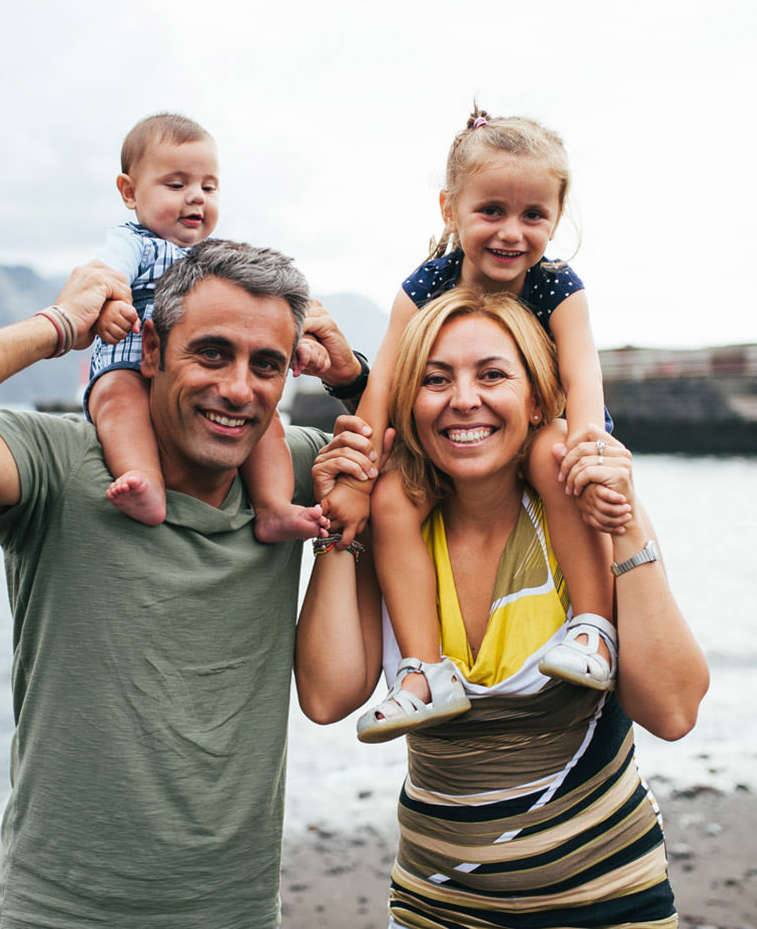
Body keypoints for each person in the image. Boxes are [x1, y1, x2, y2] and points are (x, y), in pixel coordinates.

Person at [0, 239, 371, 928]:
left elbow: (440, 443)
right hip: (61, 913)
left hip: (236, 913)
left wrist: (352, 376)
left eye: (265, 364)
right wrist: (54, 327)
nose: (239, 389)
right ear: (150, 351)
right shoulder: (59, 466)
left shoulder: (294, 485)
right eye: (211, 352)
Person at [296, 289, 709, 928]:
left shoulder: (583, 511)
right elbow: (327, 699)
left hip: (608, 901)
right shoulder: (394, 523)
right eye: (436, 380)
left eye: (493, 375)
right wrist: (335, 526)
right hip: (434, 907)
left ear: (539, 399)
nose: (464, 398)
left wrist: (627, 523)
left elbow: (674, 710)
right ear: (409, 403)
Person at [320, 107, 626, 743]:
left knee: (548, 449)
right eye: (491, 211)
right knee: (394, 496)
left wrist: (592, 455)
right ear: (449, 209)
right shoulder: (427, 284)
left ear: (557, 217)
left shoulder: (557, 286)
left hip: (550, 433)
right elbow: (382, 389)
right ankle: (425, 672)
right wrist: (355, 477)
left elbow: (583, 379)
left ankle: (593, 627)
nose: (511, 232)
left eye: (533, 215)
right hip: (457, 445)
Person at [86, 113, 326, 542]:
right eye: (176, 185)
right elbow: (107, 279)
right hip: (127, 347)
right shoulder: (131, 241)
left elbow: (260, 313)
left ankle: (273, 506)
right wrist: (107, 307)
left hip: (183, 360)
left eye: (208, 187)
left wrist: (298, 341)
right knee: (118, 402)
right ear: (129, 192)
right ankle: (144, 481)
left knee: (267, 422)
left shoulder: (215, 257)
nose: (195, 198)